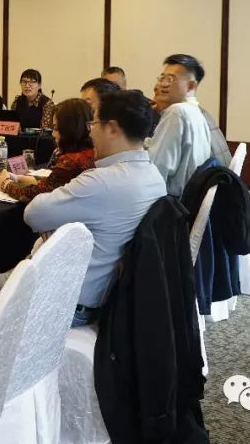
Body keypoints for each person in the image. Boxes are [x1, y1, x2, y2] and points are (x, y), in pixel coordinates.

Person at [25, 89, 167, 326]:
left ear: (112, 128)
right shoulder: (155, 177)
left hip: (63, 303)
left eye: (94, 123)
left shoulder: (101, 181)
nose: (90, 131)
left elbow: (33, 213)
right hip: (110, 300)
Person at [0, 97, 96, 203]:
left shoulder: (70, 161)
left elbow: (32, 196)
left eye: (56, 128)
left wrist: (5, 184)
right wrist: (22, 179)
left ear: (69, 129)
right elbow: (53, 184)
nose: (53, 134)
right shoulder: (92, 153)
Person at [147, 54, 213, 196]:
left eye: (171, 79)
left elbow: (156, 170)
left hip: (173, 201)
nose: (163, 84)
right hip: (190, 198)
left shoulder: (176, 112)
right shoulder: (197, 113)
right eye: (162, 78)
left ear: (191, 86)